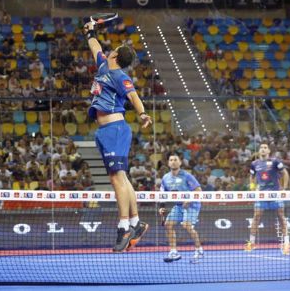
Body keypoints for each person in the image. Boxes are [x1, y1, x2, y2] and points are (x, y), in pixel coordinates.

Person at [84, 20, 152, 252]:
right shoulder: (103, 66)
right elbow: (94, 46)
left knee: (116, 179)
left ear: (115, 55)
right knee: (122, 178)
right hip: (104, 131)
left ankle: (124, 227)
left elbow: (133, 97)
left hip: (115, 129)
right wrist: (90, 30)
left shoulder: (120, 76)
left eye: (112, 49)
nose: (108, 50)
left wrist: (142, 114)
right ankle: (135, 222)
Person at [245, 142, 290, 255]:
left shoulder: (275, 161)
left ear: (269, 151)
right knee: (256, 218)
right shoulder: (254, 163)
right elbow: (251, 176)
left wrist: (284, 188)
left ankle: (286, 244)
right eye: (261, 148)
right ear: (259, 151)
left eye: (265, 148)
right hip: (261, 195)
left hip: (275, 194)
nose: (263, 149)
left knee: (281, 217)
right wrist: (252, 188)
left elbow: (285, 173)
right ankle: (251, 243)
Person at [159, 154, 204, 263]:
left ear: (180, 163)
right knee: (168, 224)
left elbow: (198, 190)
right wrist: (161, 207)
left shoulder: (187, 176)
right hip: (179, 205)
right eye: (171, 160)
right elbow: (162, 194)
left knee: (186, 225)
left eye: (175, 160)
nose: (173, 162)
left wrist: (189, 200)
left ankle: (199, 250)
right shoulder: (165, 178)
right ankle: (174, 252)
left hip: (192, 204)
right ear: (168, 163)